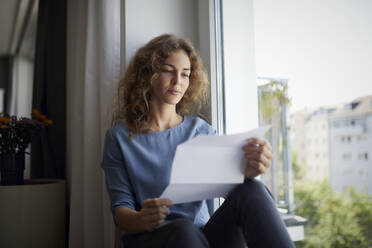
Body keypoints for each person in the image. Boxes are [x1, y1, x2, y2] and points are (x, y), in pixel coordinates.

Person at [101, 34, 295, 248]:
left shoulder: (201, 131)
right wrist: (141, 219)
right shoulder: (119, 137)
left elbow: (227, 191)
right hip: (152, 239)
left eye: (185, 74)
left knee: (252, 189)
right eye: (168, 71)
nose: (178, 82)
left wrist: (247, 172)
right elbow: (120, 211)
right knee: (183, 229)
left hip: (203, 238)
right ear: (148, 73)